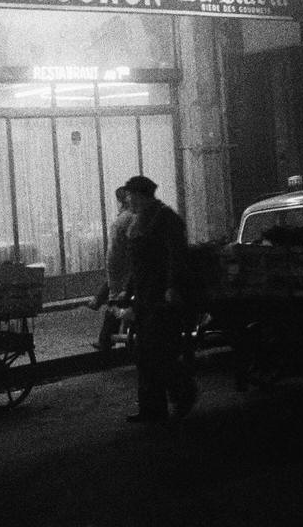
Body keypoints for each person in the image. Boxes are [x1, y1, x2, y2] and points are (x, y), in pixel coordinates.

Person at [121, 174, 197, 423]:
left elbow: (177, 256)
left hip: (162, 296)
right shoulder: (138, 221)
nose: (127, 200)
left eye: (129, 195)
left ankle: (184, 393)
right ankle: (151, 409)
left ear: (141, 195)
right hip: (144, 296)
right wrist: (127, 290)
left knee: (159, 351)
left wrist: (173, 286)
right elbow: (137, 264)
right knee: (143, 354)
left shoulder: (165, 218)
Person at [89, 186, 133, 351]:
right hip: (130, 267)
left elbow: (113, 254)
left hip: (122, 269)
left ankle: (106, 339)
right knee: (118, 299)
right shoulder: (138, 217)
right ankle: (107, 338)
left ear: (120, 202)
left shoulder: (121, 221)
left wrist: (112, 273)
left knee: (115, 301)